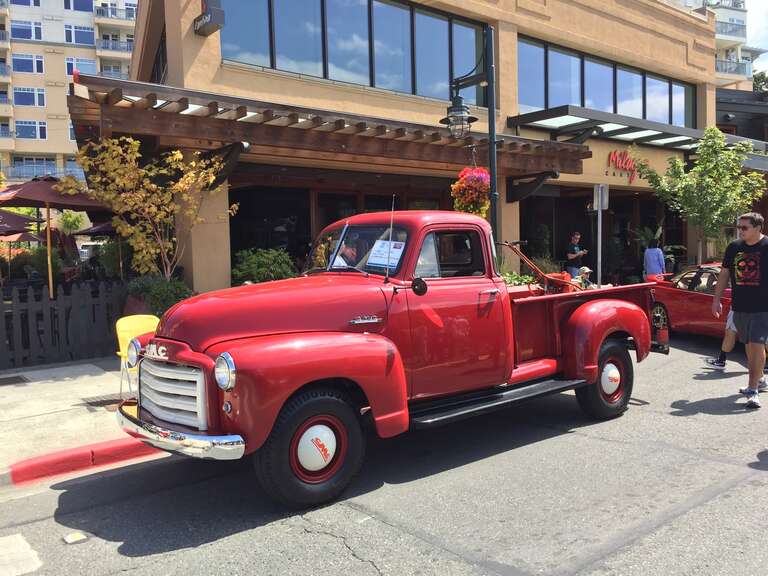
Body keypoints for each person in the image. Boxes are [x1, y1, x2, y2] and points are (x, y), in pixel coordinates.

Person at [712, 212, 768, 409]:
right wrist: (717, 299)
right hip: (739, 306)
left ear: (758, 227)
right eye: (739, 227)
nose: (740, 231)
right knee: (748, 345)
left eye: (744, 227)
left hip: (763, 307)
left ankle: (753, 390)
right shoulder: (734, 247)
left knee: (757, 344)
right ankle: (759, 379)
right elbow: (725, 273)